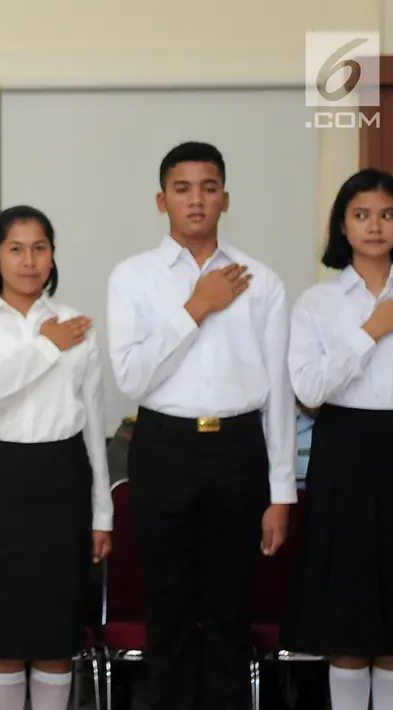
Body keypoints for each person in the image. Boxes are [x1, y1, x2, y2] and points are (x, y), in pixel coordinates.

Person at [105, 141, 294, 710]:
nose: (196, 200)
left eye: (208, 188)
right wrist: (197, 307)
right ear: (161, 200)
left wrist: (281, 492)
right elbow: (132, 378)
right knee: (168, 610)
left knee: (231, 611)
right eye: (182, 189)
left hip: (238, 450)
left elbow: (279, 394)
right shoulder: (133, 277)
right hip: (163, 446)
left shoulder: (262, 280)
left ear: (226, 199)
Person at [0, 206, 113, 710]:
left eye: (39, 248)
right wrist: (45, 346)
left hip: (62, 477)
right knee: (1, 632)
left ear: (52, 256)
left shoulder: (75, 324)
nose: (28, 260)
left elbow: (93, 423)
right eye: (15, 249)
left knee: (56, 633)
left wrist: (102, 512)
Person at [280, 168, 393, 710]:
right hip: (345, 453)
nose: (375, 226)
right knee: (350, 624)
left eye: (386, 214)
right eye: (361, 215)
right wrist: (372, 330)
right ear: (343, 226)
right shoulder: (318, 303)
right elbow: (308, 391)